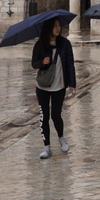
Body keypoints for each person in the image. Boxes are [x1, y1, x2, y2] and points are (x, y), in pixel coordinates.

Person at [31, 17, 77, 159]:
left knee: (56, 115)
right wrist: (42, 62)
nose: (58, 28)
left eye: (59, 25)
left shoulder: (65, 44)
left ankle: (61, 137)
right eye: (55, 26)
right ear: (48, 28)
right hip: (43, 86)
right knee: (44, 116)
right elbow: (34, 63)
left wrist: (72, 83)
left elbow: (70, 64)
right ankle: (47, 147)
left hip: (59, 86)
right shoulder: (40, 45)